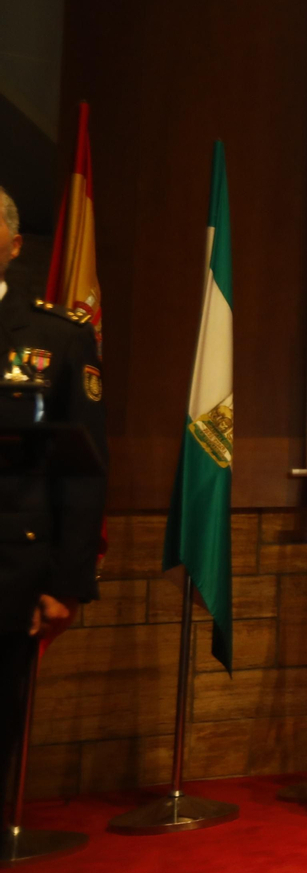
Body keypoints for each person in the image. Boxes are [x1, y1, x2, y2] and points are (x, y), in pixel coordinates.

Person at [0, 186, 105, 793]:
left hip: (9, 570)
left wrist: (66, 581)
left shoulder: (56, 338)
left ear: (14, 245)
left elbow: (83, 468)